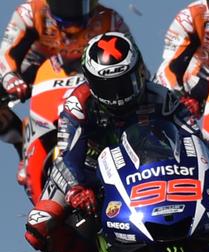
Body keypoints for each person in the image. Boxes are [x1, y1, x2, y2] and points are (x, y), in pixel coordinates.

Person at [24, 32, 206, 252]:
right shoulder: (77, 105)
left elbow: (195, 140)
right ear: (91, 82)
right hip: (93, 169)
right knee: (37, 226)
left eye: (124, 82)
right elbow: (67, 156)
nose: (118, 95)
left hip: (151, 166)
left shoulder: (161, 96)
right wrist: (76, 189)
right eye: (108, 86)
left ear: (139, 72)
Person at [0, 0, 131, 185]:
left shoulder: (110, 20)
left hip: (88, 70)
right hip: (36, 67)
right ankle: (22, 146)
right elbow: (6, 55)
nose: (71, 11)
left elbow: (133, 62)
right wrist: (10, 77)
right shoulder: (29, 12)